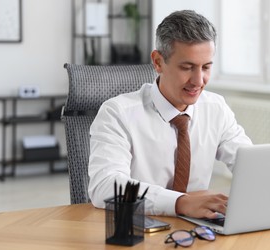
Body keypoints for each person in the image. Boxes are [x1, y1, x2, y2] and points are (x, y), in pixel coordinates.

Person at [88, 10, 252, 219]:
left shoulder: (216, 108)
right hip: (137, 229)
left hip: (196, 229)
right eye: (187, 67)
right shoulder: (117, 113)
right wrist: (180, 203)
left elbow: (248, 164)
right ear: (157, 62)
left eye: (206, 67)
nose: (198, 80)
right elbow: (105, 186)